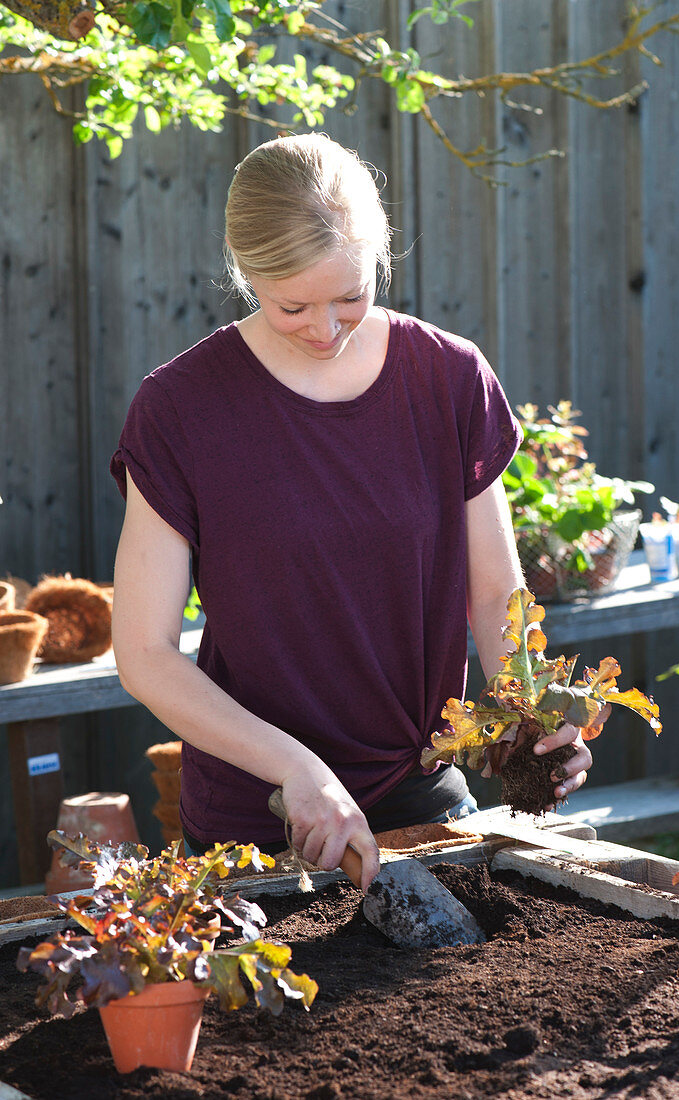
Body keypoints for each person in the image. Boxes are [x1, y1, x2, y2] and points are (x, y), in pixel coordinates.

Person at [110, 134, 592, 892]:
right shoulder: (179, 410)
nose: (325, 330)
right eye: (291, 305)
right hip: (254, 814)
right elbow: (143, 652)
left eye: (349, 297)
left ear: (381, 255)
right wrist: (296, 769)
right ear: (244, 273)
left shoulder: (447, 377)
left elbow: (497, 595)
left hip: (421, 788)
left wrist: (531, 719)